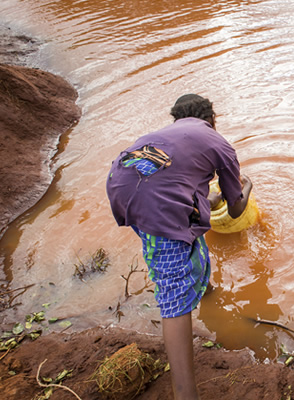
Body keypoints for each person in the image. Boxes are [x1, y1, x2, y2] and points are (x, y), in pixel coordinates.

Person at [106, 94, 252, 400]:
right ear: (213, 119)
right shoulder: (216, 140)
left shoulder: (164, 137)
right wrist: (246, 186)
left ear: (176, 118)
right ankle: (186, 394)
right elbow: (237, 209)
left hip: (121, 185)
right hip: (157, 201)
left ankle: (207, 291)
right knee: (173, 294)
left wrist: (212, 201)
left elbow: (181, 192)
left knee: (175, 236)